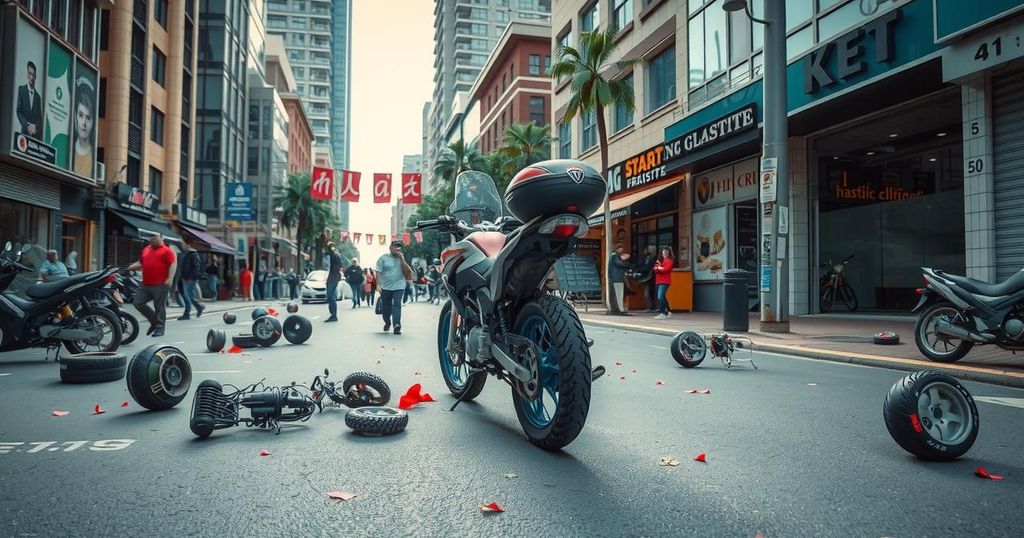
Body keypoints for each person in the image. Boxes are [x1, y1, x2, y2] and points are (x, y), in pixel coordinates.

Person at [128, 233, 177, 338]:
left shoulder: (167, 251)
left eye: (156, 237)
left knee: (159, 306)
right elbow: (142, 263)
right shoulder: (146, 249)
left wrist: (170, 278)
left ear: (161, 238)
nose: (153, 239)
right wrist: (131, 267)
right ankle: (154, 321)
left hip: (161, 284)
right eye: (152, 237)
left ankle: (160, 327)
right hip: (145, 284)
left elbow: (173, 263)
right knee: (138, 302)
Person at [376, 240, 413, 335]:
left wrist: (402, 259)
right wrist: (378, 285)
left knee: (397, 304)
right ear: (390, 248)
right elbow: (378, 272)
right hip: (386, 287)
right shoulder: (383, 258)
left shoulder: (402, 258)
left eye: (399, 247)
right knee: (386, 307)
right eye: (396, 246)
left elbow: (407, 272)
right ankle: (387, 322)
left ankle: (397, 325)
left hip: (399, 286)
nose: (398, 248)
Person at [72, 82, 95, 178]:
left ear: (93, 121)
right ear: (75, 116)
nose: (84, 123)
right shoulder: (68, 149)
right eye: (81, 115)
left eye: (88, 118)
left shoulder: (94, 155)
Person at [177, 243, 205, 320]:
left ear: (188, 245)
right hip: (184, 277)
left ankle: (188, 313)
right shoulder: (186, 254)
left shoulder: (193, 254)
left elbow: (196, 267)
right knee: (188, 296)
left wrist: (191, 277)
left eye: (183, 244)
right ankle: (198, 307)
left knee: (188, 296)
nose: (182, 245)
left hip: (189, 278)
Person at [16, 61, 42, 140]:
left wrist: (35, 128)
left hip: (34, 137)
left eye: (33, 75)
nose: (31, 77)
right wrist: (27, 126)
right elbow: (18, 111)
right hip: (23, 134)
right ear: (27, 74)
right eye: (30, 74)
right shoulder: (21, 90)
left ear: (36, 76)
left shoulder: (38, 97)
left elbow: (39, 118)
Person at [653, 247, 675, 320]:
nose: (665, 253)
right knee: (662, 296)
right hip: (658, 280)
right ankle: (668, 310)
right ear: (661, 252)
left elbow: (666, 269)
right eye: (664, 251)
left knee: (660, 296)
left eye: (666, 251)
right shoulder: (659, 260)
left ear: (669, 252)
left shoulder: (670, 261)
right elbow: (655, 269)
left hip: (665, 281)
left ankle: (663, 313)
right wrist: (659, 268)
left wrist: (659, 268)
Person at [607, 244, 631, 315]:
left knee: (618, 293)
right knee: (619, 293)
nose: (622, 250)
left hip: (615, 277)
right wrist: (626, 263)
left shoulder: (612, 256)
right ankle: (621, 309)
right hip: (617, 277)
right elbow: (619, 264)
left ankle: (617, 308)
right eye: (621, 249)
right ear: (618, 248)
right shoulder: (615, 256)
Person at [324, 242, 343, 322]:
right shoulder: (337, 254)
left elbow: (330, 251)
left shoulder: (334, 253)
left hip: (333, 276)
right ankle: (333, 314)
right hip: (334, 276)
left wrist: (328, 243)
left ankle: (333, 315)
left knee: (330, 296)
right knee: (330, 296)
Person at [641, 245, 658, 312]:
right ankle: (652, 306)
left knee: (649, 292)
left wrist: (640, 270)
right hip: (650, 278)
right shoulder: (650, 258)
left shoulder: (651, 258)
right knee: (650, 292)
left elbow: (648, 267)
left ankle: (651, 307)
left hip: (651, 277)